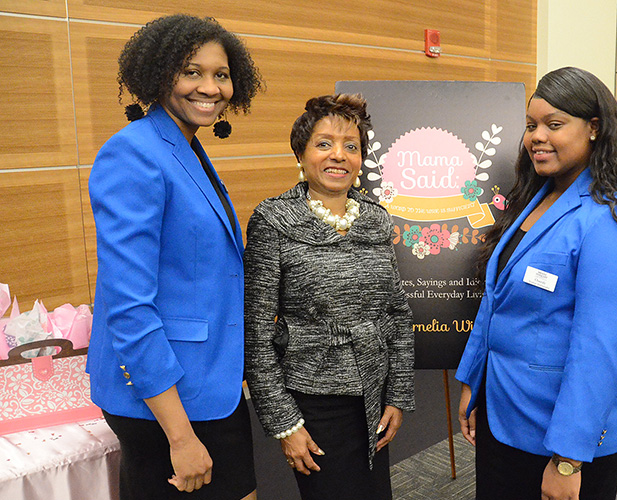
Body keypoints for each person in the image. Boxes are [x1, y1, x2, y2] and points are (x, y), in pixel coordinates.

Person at [456, 67, 617, 500]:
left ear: (594, 128)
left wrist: (568, 458)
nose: (538, 136)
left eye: (554, 125)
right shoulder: (539, 195)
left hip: (565, 430)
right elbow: (496, 302)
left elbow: (602, 347)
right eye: (531, 125)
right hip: (506, 409)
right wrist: (472, 383)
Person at [87, 14, 262, 500]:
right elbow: (127, 307)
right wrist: (181, 438)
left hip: (208, 382)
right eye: (192, 72)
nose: (210, 87)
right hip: (165, 402)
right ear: (160, 74)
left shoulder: (183, 147)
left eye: (221, 74)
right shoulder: (134, 154)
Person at [244, 94, 414, 500]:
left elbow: (397, 313)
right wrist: (285, 422)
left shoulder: (375, 217)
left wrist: (398, 395)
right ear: (300, 155)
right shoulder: (274, 221)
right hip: (313, 402)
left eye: (350, 146)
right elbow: (256, 332)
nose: (338, 155)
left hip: (373, 391)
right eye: (324, 144)